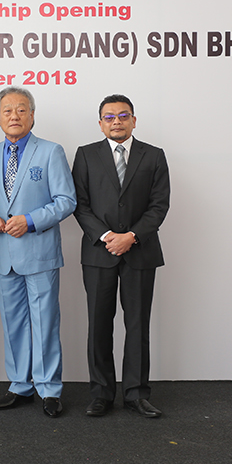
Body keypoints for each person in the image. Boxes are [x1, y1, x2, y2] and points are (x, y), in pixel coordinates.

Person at [0, 87, 76, 418]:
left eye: (21, 110)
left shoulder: (51, 151)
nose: (14, 116)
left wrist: (30, 221)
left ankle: (48, 389)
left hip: (40, 252)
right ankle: (20, 385)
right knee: (13, 322)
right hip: (4, 255)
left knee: (45, 322)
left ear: (32, 115)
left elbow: (66, 201)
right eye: (7, 110)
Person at [72, 94, 170, 418]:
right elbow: (80, 204)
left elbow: (159, 205)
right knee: (99, 325)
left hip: (140, 252)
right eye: (110, 117)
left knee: (138, 325)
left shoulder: (154, 156)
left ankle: (136, 394)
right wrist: (107, 236)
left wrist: (132, 236)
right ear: (101, 123)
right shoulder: (85, 155)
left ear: (134, 120)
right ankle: (101, 394)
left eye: (123, 116)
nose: (117, 121)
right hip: (98, 253)